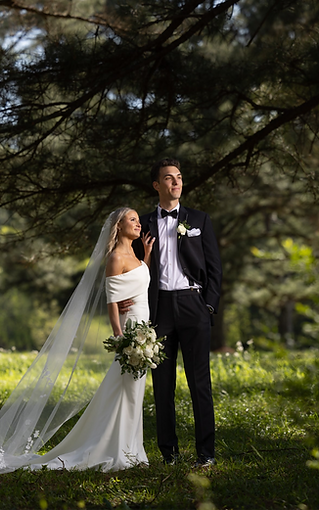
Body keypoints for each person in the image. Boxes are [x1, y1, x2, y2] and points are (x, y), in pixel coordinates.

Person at [0, 207, 155, 473]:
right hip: (132, 331)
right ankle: (118, 449)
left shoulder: (136, 254)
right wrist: (122, 339)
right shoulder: (116, 257)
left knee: (132, 389)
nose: (139, 224)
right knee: (126, 387)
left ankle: (129, 448)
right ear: (118, 226)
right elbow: (113, 305)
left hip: (144, 327)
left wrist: (148, 257)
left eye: (139, 220)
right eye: (133, 220)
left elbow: (139, 284)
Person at [131, 158, 222, 467]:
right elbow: (133, 270)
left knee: (200, 383)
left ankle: (206, 455)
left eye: (179, 178)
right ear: (157, 185)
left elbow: (214, 268)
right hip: (160, 310)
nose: (176, 182)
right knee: (163, 385)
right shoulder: (142, 224)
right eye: (169, 178)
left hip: (194, 305)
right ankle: (169, 454)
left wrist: (208, 304)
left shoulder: (199, 220)